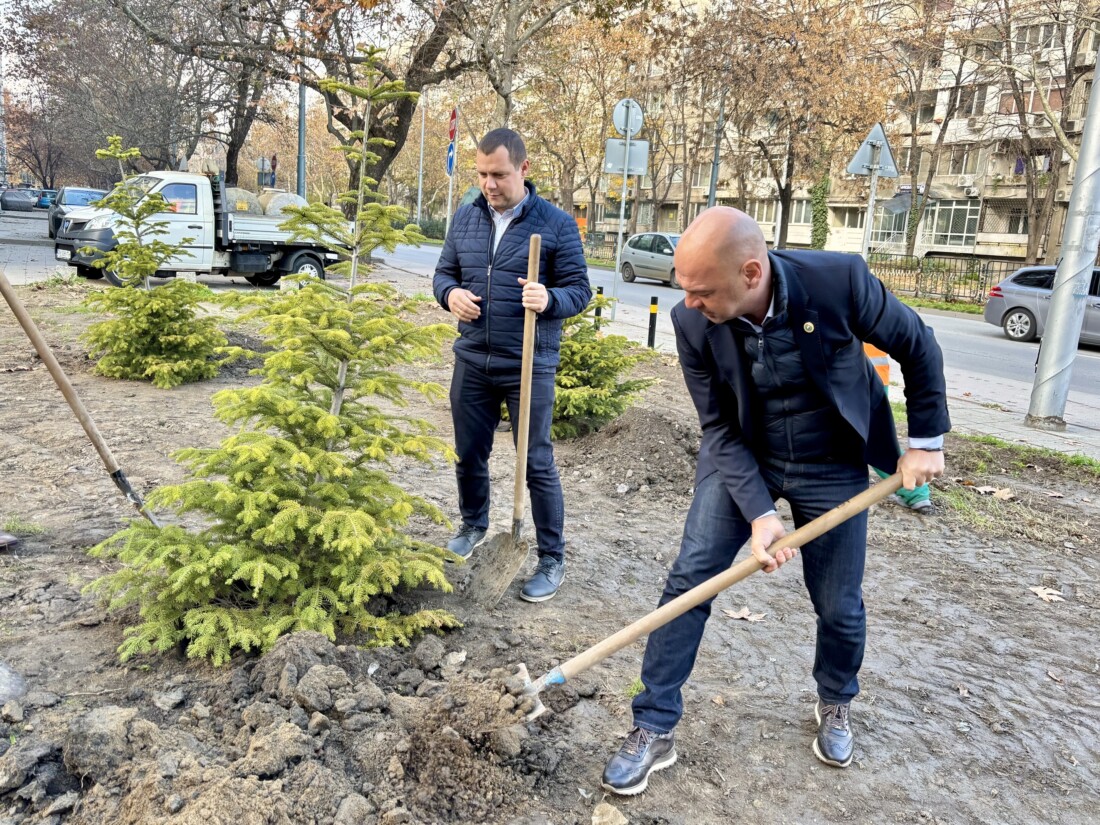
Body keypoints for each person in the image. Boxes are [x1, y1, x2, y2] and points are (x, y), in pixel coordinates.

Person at [601, 207, 949, 795]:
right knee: (689, 581)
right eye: (685, 290)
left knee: (839, 602)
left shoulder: (838, 282)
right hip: (746, 454)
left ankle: (836, 700)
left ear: (752, 272)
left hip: (831, 459)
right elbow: (718, 427)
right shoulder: (693, 323)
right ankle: (652, 726)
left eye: (702, 291)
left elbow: (918, 345)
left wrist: (925, 443)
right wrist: (761, 513)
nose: (689, 304)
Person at [432, 128, 591, 602]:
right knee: (469, 452)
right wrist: (450, 295)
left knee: (536, 461)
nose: (489, 183)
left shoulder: (557, 224)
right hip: (473, 359)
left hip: (529, 362)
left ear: (523, 169)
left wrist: (550, 298)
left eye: (498, 174)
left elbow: (580, 290)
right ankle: (473, 523)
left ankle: (551, 557)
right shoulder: (465, 218)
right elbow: (443, 274)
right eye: (481, 173)